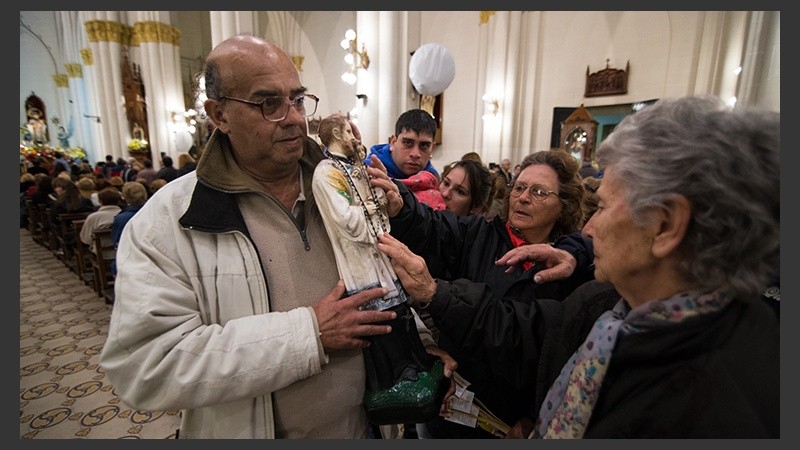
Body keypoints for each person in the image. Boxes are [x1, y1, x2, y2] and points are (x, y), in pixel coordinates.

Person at [100, 35, 449, 439]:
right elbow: (146, 365)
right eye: (269, 104)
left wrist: (418, 343)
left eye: (298, 100)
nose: (294, 119)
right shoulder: (168, 221)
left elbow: (378, 274)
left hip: (366, 428)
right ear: (219, 115)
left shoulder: (341, 183)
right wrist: (309, 335)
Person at [379, 95, 780, 438]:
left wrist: (435, 293)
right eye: (519, 187)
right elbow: (536, 337)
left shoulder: (710, 404)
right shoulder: (618, 307)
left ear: (666, 225)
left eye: (604, 206)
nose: (590, 228)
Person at [366, 148, 593, 439]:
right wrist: (402, 208)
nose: (523, 197)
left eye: (538, 192)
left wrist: (535, 415)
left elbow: (555, 356)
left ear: (564, 205)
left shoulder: (568, 268)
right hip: (451, 407)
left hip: (508, 421)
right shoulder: (479, 234)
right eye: (520, 187)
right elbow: (434, 228)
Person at [313, 114, 449, 428]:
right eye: (347, 130)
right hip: (360, 261)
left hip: (380, 253)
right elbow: (348, 221)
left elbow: (381, 211)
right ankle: (390, 381)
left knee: (399, 312)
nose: (352, 134)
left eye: (424, 146)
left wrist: (377, 205)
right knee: (383, 321)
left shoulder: (358, 166)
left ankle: (410, 370)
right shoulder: (327, 172)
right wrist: (374, 207)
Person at [363, 109, 443, 213]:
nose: (415, 154)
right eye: (408, 143)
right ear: (393, 142)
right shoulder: (366, 172)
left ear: (432, 148)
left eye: (424, 145)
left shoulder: (433, 182)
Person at [80, 187, 122, 256]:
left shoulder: (93, 217)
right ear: (118, 201)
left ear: (100, 202)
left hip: (101, 253)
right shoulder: (123, 215)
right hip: (121, 250)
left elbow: (86, 239)